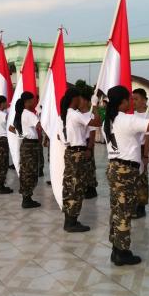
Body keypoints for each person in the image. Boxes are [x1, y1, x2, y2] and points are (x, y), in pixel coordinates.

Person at [103, 85, 149, 266]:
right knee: (124, 211)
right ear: (122, 102)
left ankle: (116, 248)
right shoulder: (127, 119)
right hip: (125, 170)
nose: (130, 101)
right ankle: (122, 252)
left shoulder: (110, 120)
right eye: (128, 98)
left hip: (114, 167)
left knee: (117, 210)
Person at [60, 87, 102, 232]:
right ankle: (71, 222)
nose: (82, 101)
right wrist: (95, 105)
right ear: (75, 99)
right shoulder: (75, 114)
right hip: (77, 153)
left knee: (71, 186)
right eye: (80, 98)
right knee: (76, 188)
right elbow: (97, 122)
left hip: (72, 152)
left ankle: (70, 219)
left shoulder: (70, 114)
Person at [10, 92, 42, 208]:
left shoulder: (19, 113)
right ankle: (27, 199)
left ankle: (26, 197)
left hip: (25, 144)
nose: (34, 102)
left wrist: (21, 134)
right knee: (31, 172)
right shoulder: (29, 114)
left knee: (26, 171)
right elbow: (40, 126)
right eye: (33, 100)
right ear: (27, 101)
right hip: (31, 146)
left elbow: (11, 128)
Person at [131, 88, 149, 219]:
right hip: (132, 149)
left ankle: (141, 206)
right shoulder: (131, 115)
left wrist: (145, 156)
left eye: (136, 99)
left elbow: (148, 138)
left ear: (144, 100)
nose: (134, 101)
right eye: (132, 99)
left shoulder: (148, 116)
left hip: (142, 149)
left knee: (142, 178)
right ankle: (134, 203)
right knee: (133, 178)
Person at [78, 91, 98, 199]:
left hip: (87, 143)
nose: (78, 102)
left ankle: (91, 188)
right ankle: (84, 187)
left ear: (86, 101)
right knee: (81, 167)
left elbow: (92, 132)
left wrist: (89, 148)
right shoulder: (77, 114)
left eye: (80, 100)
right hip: (79, 143)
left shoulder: (90, 115)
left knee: (89, 166)